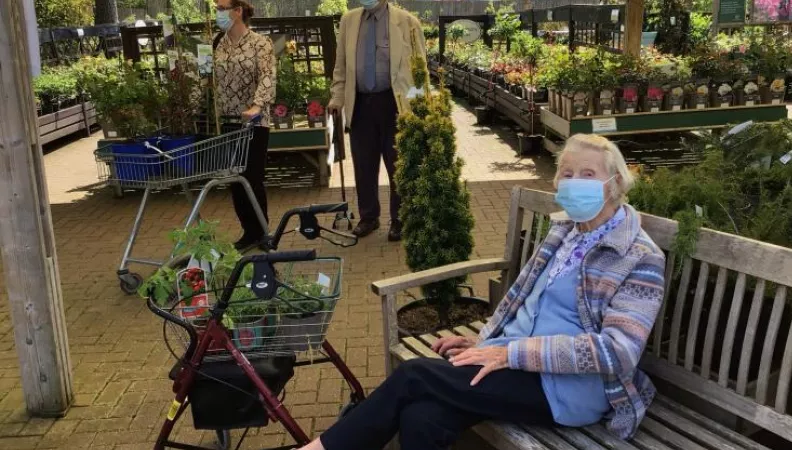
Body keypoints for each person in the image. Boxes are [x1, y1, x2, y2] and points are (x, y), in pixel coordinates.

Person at [297, 134, 667, 450]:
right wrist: (487, 343)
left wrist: (509, 354)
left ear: (615, 184)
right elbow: (526, 306)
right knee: (422, 418)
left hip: (569, 389)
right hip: (517, 368)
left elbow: (618, 352)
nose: (574, 182)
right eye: (567, 174)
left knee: (415, 376)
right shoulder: (568, 232)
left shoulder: (638, 256)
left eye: (588, 174)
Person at [328, 0, 425, 241]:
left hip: (395, 104)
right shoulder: (348, 21)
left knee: (398, 164)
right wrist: (336, 98)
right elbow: (340, 66)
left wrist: (416, 107)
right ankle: (369, 217)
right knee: (364, 165)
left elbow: (420, 70)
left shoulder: (407, 21)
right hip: (360, 103)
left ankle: (400, 219)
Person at [214, 0, 276, 250]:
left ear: (237, 11)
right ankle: (248, 231)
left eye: (222, 7)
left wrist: (257, 106)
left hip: (254, 122)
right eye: (216, 8)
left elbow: (267, 77)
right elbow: (206, 77)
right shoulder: (217, 44)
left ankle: (262, 230)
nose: (218, 13)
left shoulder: (261, 44)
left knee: (252, 178)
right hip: (227, 121)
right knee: (235, 179)